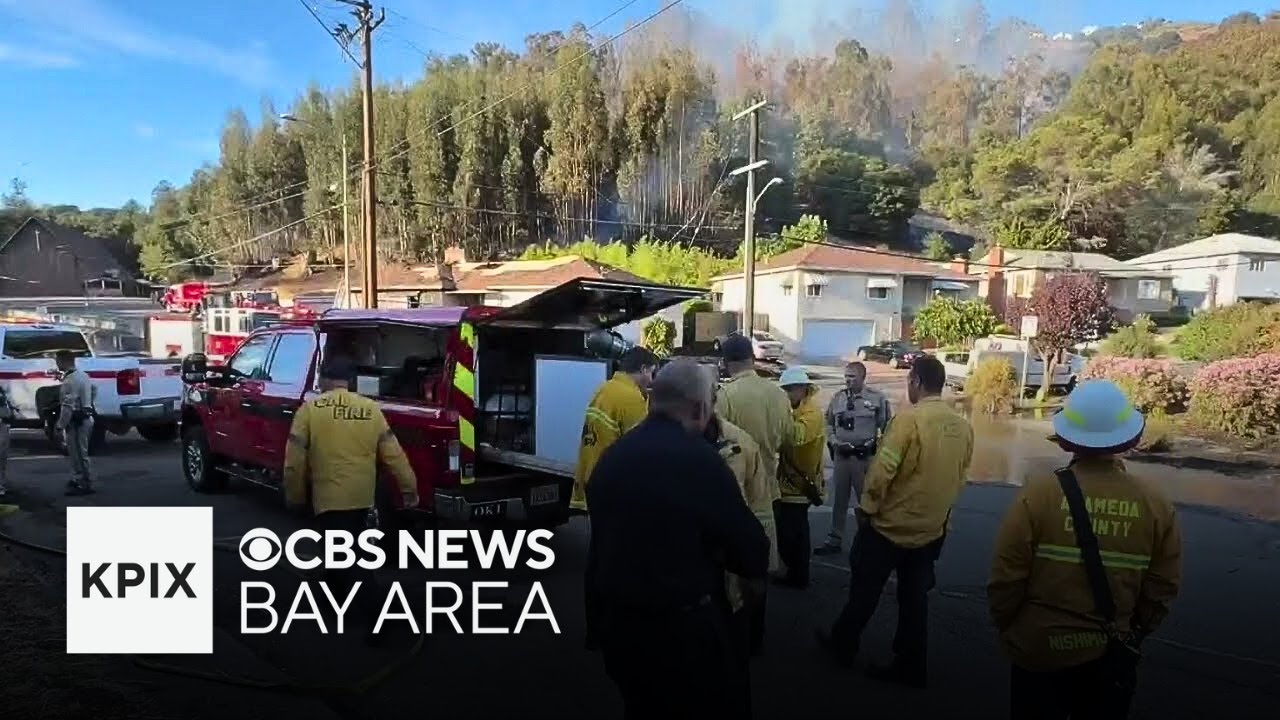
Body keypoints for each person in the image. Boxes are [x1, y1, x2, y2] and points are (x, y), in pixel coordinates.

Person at [585, 358, 770, 719]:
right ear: (701, 407)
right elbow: (750, 549)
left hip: (621, 631)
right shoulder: (701, 463)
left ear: (652, 400)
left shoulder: (613, 459)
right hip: (682, 635)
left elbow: (599, 548)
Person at [988, 379, 1182, 720]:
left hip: (1038, 652)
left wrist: (1010, 627)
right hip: (1111, 655)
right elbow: (1162, 586)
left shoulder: (1039, 494)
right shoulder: (1155, 503)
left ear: (1065, 439)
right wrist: (1134, 631)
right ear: (1131, 438)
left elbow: (1007, 576)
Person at [817, 355, 973, 689]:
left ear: (915, 381)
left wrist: (867, 511)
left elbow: (880, 474)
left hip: (889, 529)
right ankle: (911, 665)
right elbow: (960, 478)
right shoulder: (963, 427)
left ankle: (843, 646)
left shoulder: (908, 422)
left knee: (864, 591)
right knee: (915, 601)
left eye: (909, 381)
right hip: (931, 531)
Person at [283, 354, 418, 645]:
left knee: (348, 561)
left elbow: (294, 462)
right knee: (338, 556)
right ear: (349, 381)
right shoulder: (370, 410)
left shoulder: (309, 411)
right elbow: (394, 455)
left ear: (324, 379)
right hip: (361, 499)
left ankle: (379, 622)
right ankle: (331, 606)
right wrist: (409, 490)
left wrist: (294, 496)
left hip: (328, 499)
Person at [705, 383, 776, 708]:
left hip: (728, 579)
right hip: (673, 587)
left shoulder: (739, 443)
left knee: (731, 668)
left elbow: (760, 511)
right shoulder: (645, 444)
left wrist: (762, 569)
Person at [815, 361, 891, 556]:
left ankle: (870, 542)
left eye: (852, 377)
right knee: (839, 500)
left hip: (863, 458)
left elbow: (887, 430)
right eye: (846, 376)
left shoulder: (877, 399)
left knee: (866, 501)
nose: (848, 380)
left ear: (863, 377)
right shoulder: (838, 398)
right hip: (842, 457)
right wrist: (833, 441)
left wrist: (874, 445)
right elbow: (829, 423)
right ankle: (834, 539)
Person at [571, 346, 658, 513]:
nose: (652, 381)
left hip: (593, 475)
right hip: (615, 484)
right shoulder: (631, 398)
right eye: (651, 373)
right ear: (643, 369)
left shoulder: (604, 389)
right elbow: (640, 449)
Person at [773, 368, 826, 589]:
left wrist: (773, 420)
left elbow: (795, 436)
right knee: (788, 532)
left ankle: (798, 575)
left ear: (804, 389)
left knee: (795, 533)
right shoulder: (793, 409)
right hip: (788, 481)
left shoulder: (812, 414)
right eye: (785, 389)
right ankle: (795, 571)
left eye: (791, 389)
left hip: (801, 485)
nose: (787, 393)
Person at [57, 350, 98, 497]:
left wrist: (60, 425)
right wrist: (88, 404)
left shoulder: (70, 380)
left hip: (77, 421)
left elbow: (67, 406)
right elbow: (94, 389)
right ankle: (79, 479)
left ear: (63, 361)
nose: (57, 363)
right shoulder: (83, 375)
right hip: (86, 417)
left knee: (78, 453)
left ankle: (84, 482)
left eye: (58, 360)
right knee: (81, 451)